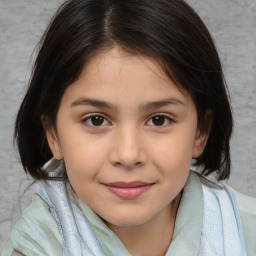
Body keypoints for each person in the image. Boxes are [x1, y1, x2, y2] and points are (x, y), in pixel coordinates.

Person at [2, 0, 255, 255]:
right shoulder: (33, 248)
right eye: (96, 120)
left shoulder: (246, 230)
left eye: (159, 120)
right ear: (53, 134)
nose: (128, 154)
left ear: (201, 132)